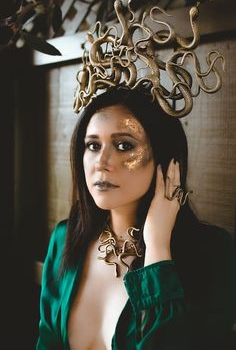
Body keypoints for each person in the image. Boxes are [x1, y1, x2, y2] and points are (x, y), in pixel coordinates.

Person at [36, 85, 236, 350]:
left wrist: (157, 248)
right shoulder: (65, 238)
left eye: (123, 145)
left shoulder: (212, 252)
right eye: (93, 145)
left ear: (165, 160)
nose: (101, 161)